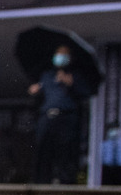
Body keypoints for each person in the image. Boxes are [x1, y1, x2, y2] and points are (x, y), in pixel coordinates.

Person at [28, 45, 94, 184]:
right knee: (43, 150)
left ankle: (66, 182)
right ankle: (41, 182)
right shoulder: (47, 75)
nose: (60, 57)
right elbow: (40, 95)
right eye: (58, 54)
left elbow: (86, 93)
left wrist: (71, 83)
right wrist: (35, 91)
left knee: (66, 151)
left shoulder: (76, 75)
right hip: (47, 116)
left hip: (67, 117)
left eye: (64, 54)